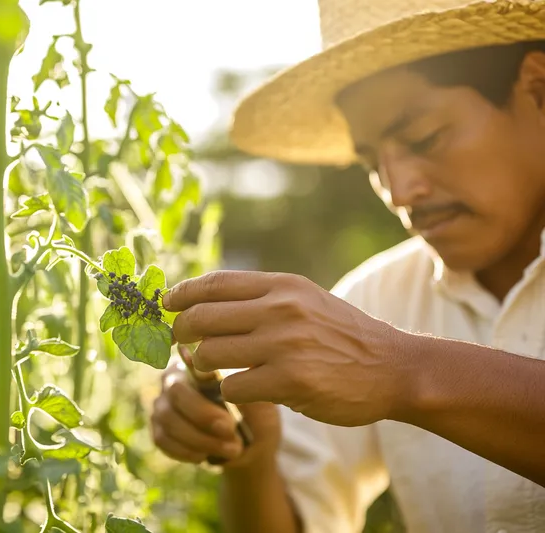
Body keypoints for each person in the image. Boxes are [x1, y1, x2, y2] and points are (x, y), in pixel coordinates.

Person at [148, 1, 545, 532]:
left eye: (425, 137)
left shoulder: (381, 336)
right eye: (372, 162)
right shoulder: (379, 298)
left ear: (538, 90)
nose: (400, 191)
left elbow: (391, 364)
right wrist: (249, 457)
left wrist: (403, 370)